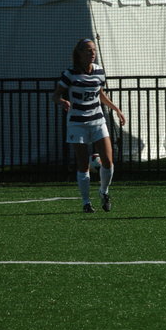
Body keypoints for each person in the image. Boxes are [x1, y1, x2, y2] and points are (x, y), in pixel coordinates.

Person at [52, 38, 126, 213]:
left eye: (93, 50)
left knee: (108, 161)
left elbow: (100, 93)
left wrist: (116, 109)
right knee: (83, 163)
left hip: (97, 121)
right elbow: (56, 95)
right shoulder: (70, 74)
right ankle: (86, 202)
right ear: (79, 53)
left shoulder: (99, 71)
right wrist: (62, 101)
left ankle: (104, 192)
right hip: (77, 123)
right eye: (88, 50)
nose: (92, 53)